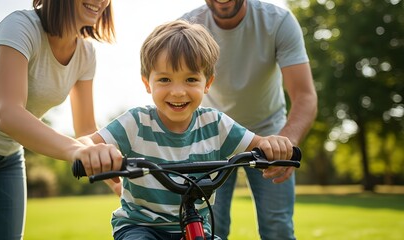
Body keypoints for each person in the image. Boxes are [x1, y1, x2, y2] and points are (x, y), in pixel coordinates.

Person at [78, 19, 295, 240]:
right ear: (147, 83)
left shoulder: (215, 124)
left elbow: (260, 144)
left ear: (207, 83)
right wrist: (94, 152)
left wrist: (273, 145)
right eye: (164, 79)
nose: (178, 92)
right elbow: (86, 143)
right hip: (140, 226)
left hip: (197, 225)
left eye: (191, 79)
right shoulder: (136, 123)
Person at [0, 0, 122, 239]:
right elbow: (8, 114)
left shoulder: (86, 53)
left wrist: (114, 178)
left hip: (8, 155)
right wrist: (73, 151)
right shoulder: (20, 27)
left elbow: (86, 129)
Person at [180, 1, 318, 239]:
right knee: (210, 226)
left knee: (278, 229)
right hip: (211, 136)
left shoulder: (278, 22)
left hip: (269, 133)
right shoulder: (187, 28)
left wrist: (285, 143)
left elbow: (305, 95)